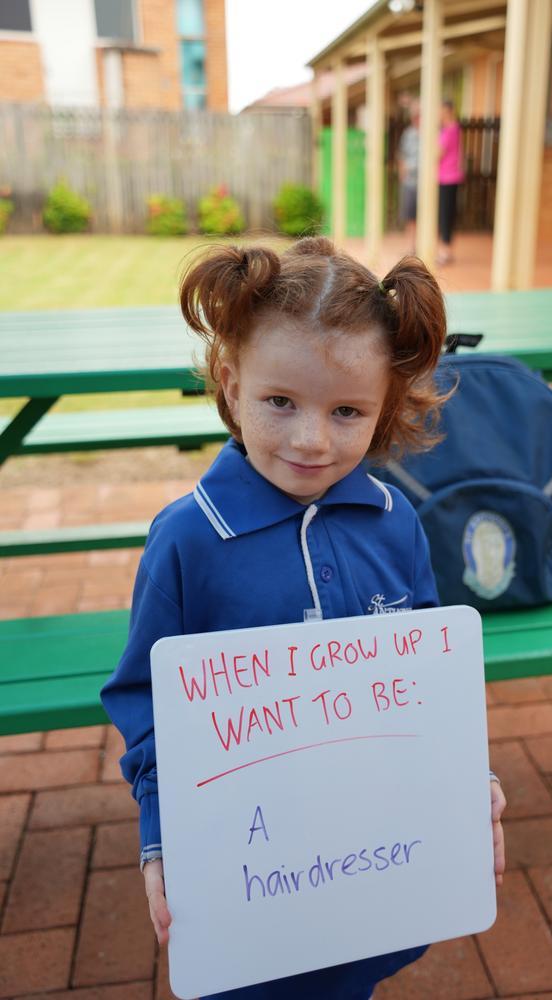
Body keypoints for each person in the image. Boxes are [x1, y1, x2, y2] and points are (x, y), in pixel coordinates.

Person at [101, 236, 506, 1000]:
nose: (312, 439)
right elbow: (146, 705)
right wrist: (161, 841)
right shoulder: (188, 540)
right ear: (231, 380)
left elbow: (429, 684)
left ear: (385, 406)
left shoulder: (396, 523)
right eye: (280, 401)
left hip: (368, 868)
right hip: (245, 886)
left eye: (347, 410)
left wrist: (465, 776)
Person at [438, 100, 464, 265]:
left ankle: (446, 251)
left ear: (447, 111)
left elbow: (438, 152)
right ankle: (445, 249)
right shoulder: (451, 129)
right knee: (445, 214)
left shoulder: (450, 130)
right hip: (446, 177)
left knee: (446, 215)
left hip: (448, 177)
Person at [397, 103, 420, 253]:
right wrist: (402, 173)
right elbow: (402, 154)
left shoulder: (434, 133)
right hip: (410, 181)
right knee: (410, 216)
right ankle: (412, 246)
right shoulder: (408, 134)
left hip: (427, 181)